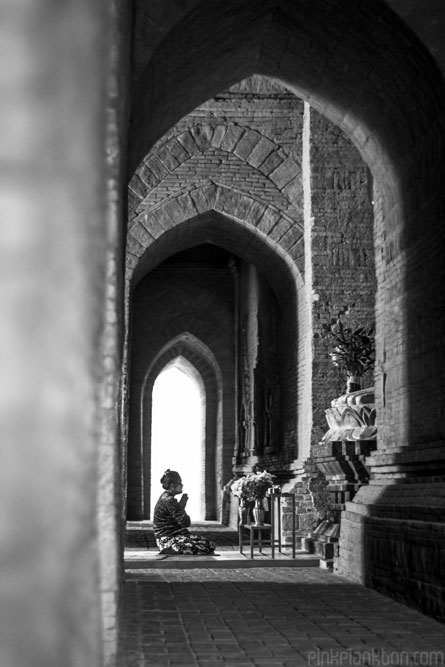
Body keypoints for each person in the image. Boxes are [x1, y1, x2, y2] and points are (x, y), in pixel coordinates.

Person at [153, 469, 215, 555]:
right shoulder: (169, 500)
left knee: (208, 544)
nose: (182, 485)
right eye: (179, 483)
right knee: (207, 546)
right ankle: (173, 548)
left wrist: (180, 506)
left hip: (173, 536)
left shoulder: (166, 497)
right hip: (167, 539)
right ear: (172, 485)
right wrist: (182, 506)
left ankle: (176, 547)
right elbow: (185, 522)